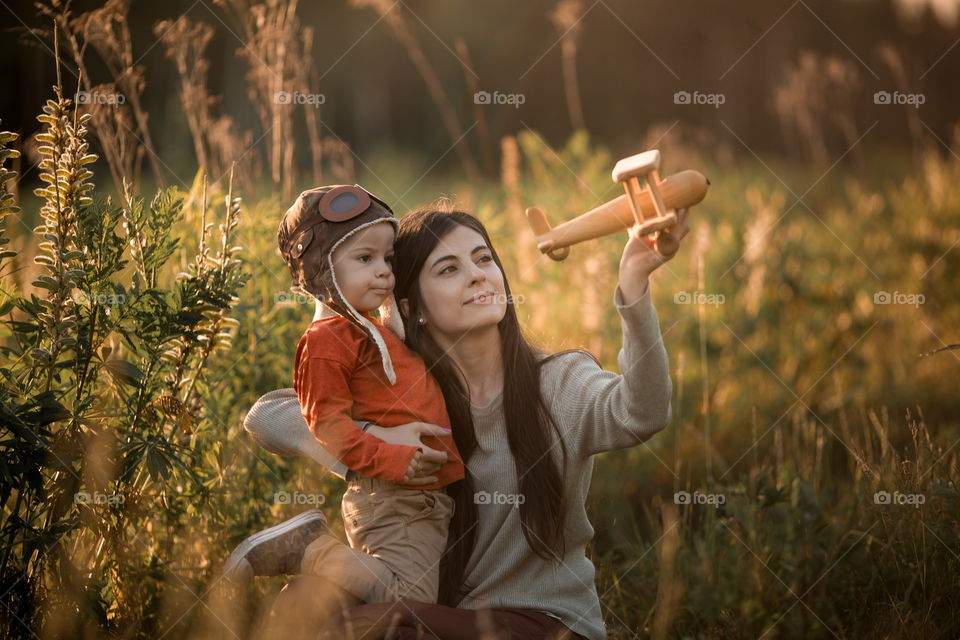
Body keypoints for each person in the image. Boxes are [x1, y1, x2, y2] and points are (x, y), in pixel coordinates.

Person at [247, 203, 690, 639]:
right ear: (409, 304)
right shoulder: (406, 398)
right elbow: (266, 416)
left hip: (547, 624)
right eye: (448, 269)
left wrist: (633, 283)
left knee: (382, 627)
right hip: (439, 614)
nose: (478, 274)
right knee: (301, 601)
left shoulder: (557, 381)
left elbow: (642, 413)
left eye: (484, 259)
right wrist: (375, 442)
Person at [224, 185, 464, 608]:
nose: (384, 271)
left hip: (415, 494)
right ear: (323, 272)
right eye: (364, 259)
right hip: (392, 491)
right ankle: (309, 549)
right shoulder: (325, 341)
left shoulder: (364, 329)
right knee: (409, 599)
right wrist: (395, 458)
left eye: (387, 258)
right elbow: (328, 427)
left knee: (406, 602)